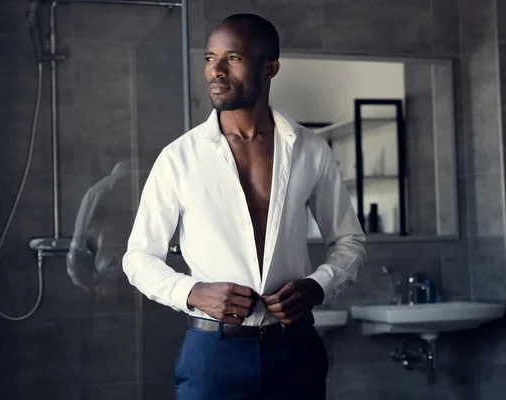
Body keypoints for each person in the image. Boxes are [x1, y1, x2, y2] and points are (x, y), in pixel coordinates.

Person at [122, 13, 366, 399]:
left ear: (270, 67)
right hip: (213, 352)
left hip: (295, 349)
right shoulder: (179, 157)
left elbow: (349, 239)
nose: (215, 70)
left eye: (232, 57)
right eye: (209, 58)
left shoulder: (311, 150)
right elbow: (138, 257)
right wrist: (192, 292)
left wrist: (317, 286)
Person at [67, 159, 135, 299]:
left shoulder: (98, 192)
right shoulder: (161, 185)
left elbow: (78, 248)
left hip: (113, 277)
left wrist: (93, 285)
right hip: (162, 278)